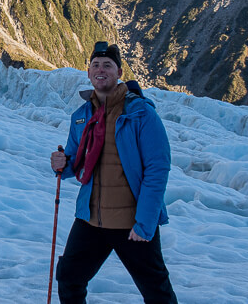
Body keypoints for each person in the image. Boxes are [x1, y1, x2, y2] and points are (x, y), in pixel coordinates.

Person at [50, 41, 177, 303]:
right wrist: (62, 163)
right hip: (90, 219)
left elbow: (157, 168)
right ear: (88, 73)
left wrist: (145, 223)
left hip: (131, 222)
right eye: (95, 65)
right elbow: (75, 163)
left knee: (156, 291)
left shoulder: (141, 114)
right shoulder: (81, 116)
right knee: (69, 278)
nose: (100, 70)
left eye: (107, 65)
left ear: (119, 73)